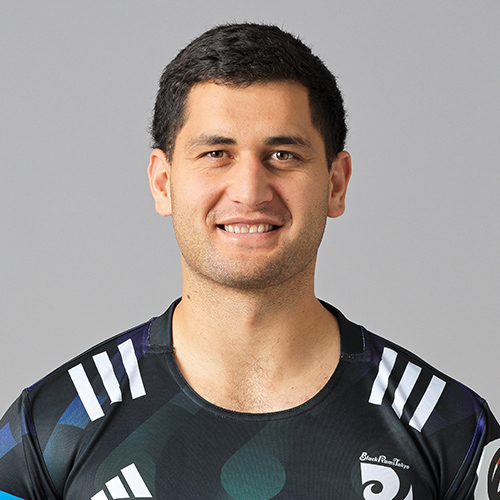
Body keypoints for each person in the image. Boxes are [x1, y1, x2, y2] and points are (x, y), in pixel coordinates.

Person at [0, 23, 498, 500]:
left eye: (283, 155)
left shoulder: (450, 430)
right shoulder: (50, 428)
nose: (250, 191)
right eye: (216, 153)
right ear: (162, 182)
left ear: (335, 183)